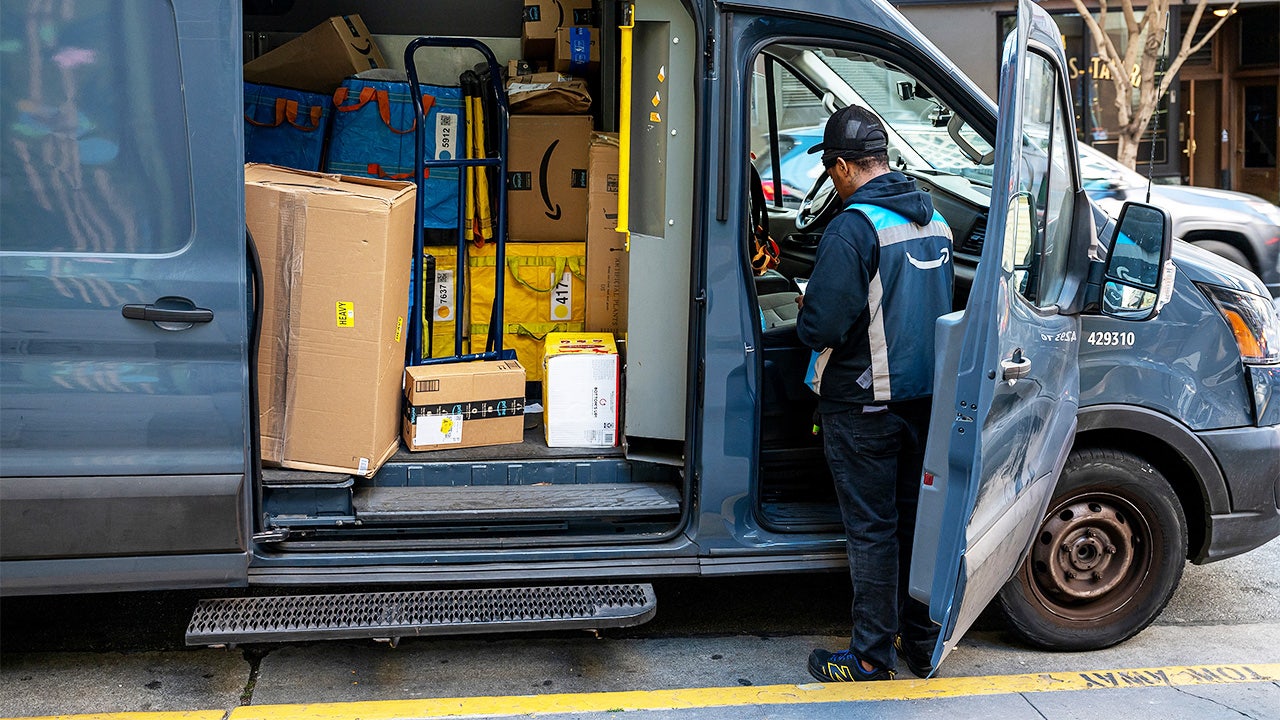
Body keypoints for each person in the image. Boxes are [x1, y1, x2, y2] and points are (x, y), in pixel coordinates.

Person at [796, 104, 953, 682]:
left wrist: (807, 305)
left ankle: (869, 657)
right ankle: (921, 642)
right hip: (923, 403)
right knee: (914, 525)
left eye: (829, 169)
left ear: (841, 167)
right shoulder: (934, 220)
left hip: (862, 408)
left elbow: (821, 327)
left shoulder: (853, 228)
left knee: (871, 531)